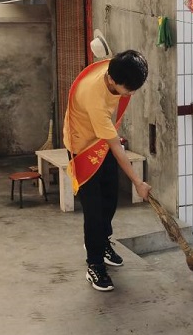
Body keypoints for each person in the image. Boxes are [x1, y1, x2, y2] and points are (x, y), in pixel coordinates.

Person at [64, 50, 151, 291]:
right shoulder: (96, 99)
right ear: (112, 80)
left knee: (110, 199)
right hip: (82, 148)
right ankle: (94, 264)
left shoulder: (114, 69)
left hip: (100, 143)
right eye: (128, 89)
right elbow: (116, 147)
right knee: (94, 211)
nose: (131, 94)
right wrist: (138, 182)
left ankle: (102, 242)